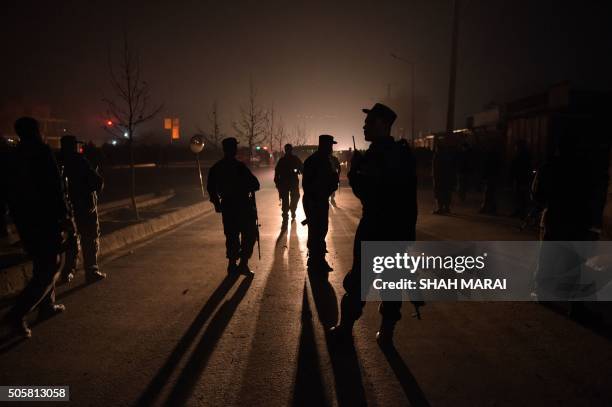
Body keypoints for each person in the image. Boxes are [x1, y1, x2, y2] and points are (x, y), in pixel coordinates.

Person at [329, 103, 419, 345]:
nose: (365, 126)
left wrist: (355, 171)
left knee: (359, 281)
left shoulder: (378, 155)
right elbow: (411, 199)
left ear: (384, 125)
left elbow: (368, 193)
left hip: (376, 227)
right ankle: (386, 335)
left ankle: (345, 329)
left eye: (370, 122)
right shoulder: (402, 153)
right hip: (397, 230)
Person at [0, 117, 73, 338]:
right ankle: (16, 315)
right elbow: (54, 189)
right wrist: (65, 217)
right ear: (37, 131)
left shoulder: (14, 157)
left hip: (26, 221)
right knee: (51, 266)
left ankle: (46, 306)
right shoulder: (41, 153)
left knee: (42, 264)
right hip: (46, 221)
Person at [207, 137, 260, 275]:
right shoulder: (239, 167)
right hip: (243, 207)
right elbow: (255, 184)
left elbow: (211, 189)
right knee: (249, 235)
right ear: (233, 149)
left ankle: (232, 265)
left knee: (231, 236)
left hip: (228, 207)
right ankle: (242, 264)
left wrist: (217, 204)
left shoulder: (217, 168)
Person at [58, 135, 106, 283]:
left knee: (71, 241)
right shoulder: (80, 161)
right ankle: (91, 270)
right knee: (90, 238)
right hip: (85, 207)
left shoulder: (58, 161)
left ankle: (67, 272)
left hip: (66, 209)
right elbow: (97, 182)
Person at [302, 135, 339, 273]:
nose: (331, 148)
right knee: (319, 230)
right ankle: (317, 261)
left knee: (317, 230)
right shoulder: (321, 161)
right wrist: (334, 179)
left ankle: (315, 259)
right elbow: (317, 184)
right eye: (330, 145)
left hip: (316, 199)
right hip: (316, 200)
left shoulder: (316, 160)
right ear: (325, 145)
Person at [274, 143, 303, 225]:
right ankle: (285, 216)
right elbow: (277, 172)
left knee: (295, 197)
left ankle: (292, 210)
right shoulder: (282, 160)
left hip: (292, 183)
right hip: (285, 183)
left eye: (289, 149)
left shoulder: (294, 159)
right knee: (285, 201)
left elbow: (301, 168)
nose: (288, 151)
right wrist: (277, 182)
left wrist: (297, 171)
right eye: (287, 149)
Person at [510, 139, 532, 217]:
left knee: (519, 195)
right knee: (521, 195)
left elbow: (515, 166)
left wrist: (512, 176)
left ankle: (520, 211)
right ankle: (521, 211)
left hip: (520, 178)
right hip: (523, 178)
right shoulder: (526, 155)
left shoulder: (520, 155)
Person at [432, 141, 455, 214]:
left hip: (439, 178)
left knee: (439, 193)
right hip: (447, 178)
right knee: (447, 193)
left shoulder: (437, 156)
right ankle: (447, 208)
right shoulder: (448, 156)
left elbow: (435, 169)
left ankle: (440, 208)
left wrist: (434, 178)